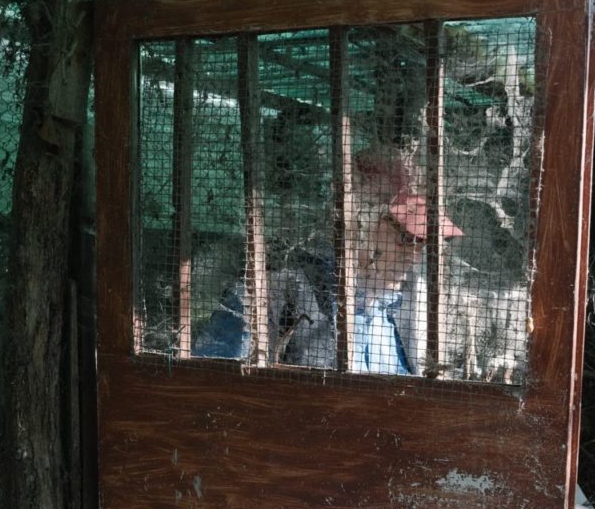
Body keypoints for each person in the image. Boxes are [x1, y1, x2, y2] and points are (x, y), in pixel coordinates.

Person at [192, 148, 462, 375]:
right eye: (407, 238)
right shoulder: (274, 293)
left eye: (425, 243)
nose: (415, 255)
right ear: (359, 222)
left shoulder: (403, 310)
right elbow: (214, 389)